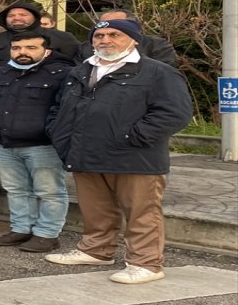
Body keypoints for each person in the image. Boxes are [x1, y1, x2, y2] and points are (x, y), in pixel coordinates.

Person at [45, 19, 192, 284]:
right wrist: (59, 134)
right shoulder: (80, 71)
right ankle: (96, 250)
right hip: (84, 153)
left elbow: (175, 113)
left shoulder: (157, 72)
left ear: (133, 39)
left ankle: (146, 263)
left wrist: (132, 136)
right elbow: (59, 108)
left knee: (141, 212)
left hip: (134, 156)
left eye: (114, 34)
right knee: (96, 210)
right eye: (99, 35)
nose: (105, 40)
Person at [0, 32, 75, 252]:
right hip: (6, 144)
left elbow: (67, 107)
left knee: (49, 191)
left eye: (31, 48)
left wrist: (50, 130)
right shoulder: (1, 73)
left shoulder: (62, 74)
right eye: (16, 48)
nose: (22, 52)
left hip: (42, 145)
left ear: (47, 51)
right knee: (16, 190)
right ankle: (21, 229)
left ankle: (47, 234)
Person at [0, 1, 80, 72]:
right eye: (11, 16)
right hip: (1, 94)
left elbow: (76, 67)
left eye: (23, 15)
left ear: (35, 18)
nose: (16, 18)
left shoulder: (62, 38)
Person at [77, 9, 178, 66]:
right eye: (104, 24)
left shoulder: (155, 45)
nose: (106, 39)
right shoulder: (86, 48)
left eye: (117, 25)